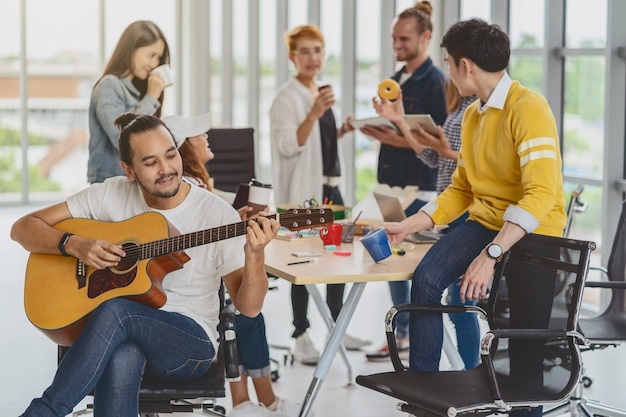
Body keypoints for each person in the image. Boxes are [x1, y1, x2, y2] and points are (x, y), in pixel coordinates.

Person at [11, 112, 280, 417]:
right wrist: (74, 244)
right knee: (122, 354)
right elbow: (22, 227)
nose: (166, 169)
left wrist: (255, 254)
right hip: (122, 335)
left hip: (191, 344)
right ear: (129, 170)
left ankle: (43, 412)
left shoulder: (217, 215)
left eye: (171, 155)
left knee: (116, 312)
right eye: (151, 163)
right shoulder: (110, 195)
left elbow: (249, 308)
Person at [381, 19, 566, 417]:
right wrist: (413, 223)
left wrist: (492, 253)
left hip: (534, 229)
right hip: (485, 221)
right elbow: (463, 189)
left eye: (447, 63)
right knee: (427, 279)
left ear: (465, 66)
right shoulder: (473, 116)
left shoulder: (528, 108)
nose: (446, 71)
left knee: (524, 348)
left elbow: (541, 193)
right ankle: (424, 393)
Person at [163, 114, 302, 417]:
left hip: (188, 296)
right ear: (184, 147)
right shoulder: (191, 188)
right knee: (247, 317)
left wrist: (232, 219)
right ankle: (259, 401)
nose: (207, 137)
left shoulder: (195, 185)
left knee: (244, 313)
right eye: (200, 134)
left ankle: (254, 401)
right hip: (187, 306)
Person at [269, 24, 369, 365]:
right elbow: (289, 145)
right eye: (305, 51)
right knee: (305, 260)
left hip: (330, 187)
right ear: (292, 57)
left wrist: (341, 128)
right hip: (303, 194)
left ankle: (337, 327)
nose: (313, 58)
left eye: (318, 50)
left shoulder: (318, 91)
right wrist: (314, 113)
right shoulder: (287, 97)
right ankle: (300, 334)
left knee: (338, 256)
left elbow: (319, 144)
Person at [360, 0, 447, 361]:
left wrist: (390, 129)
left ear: (425, 37)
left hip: (419, 184)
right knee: (390, 259)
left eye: (404, 38)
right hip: (390, 183)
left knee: (405, 260)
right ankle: (401, 330)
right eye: (394, 38)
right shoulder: (396, 79)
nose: (397, 44)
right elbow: (400, 128)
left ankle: (408, 331)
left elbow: (433, 141)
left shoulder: (436, 82)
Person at [373, 80, 480, 369]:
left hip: (467, 214)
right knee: (449, 296)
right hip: (449, 210)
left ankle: (470, 373)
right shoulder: (457, 108)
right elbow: (431, 157)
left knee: (461, 302)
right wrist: (399, 121)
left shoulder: (478, 108)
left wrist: (447, 153)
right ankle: (439, 376)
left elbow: (478, 163)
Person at [87, 20, 171, 184]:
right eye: (151, 55)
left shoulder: (137, 90)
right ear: (131, 49)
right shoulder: (109, 85)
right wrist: (151, 98)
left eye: (158, 58)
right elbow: (122, 139)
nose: (154, 64)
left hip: (130, 182)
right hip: (108, 184)